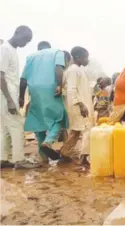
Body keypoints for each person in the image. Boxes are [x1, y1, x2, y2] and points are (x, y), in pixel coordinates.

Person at [20, 43, 71, 163]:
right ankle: (48, 141)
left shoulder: (30, 57)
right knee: (59, 117)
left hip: (35, 91)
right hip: (51, 88)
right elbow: (59, 68)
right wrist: (59, 85)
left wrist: (21, 97)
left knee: (39, 120)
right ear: (49, 46)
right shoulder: (57, 52)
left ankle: (43, 158)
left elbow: (23, 79)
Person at [0, 26, 39, 169]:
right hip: (6, 95)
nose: (25, 43)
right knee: (17, 125)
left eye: (28, 41)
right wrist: (10, 100)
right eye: (25, 39)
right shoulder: (5, 49)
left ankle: (3, 158)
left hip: (8, 94)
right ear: (16, 33)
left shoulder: (11, 50)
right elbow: (1, 75)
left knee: (5, 128)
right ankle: (19, 159)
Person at [58, 46, 93, 166]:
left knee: (76, 131)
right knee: (87, 130)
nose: (87, 60)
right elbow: (71, 90)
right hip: (78, 105)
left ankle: (65, 152)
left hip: (79, 104)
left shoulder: (76, 69)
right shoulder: (73, 70)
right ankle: (84, 157)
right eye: (85, 57)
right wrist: (81, 104)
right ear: (78, 57)